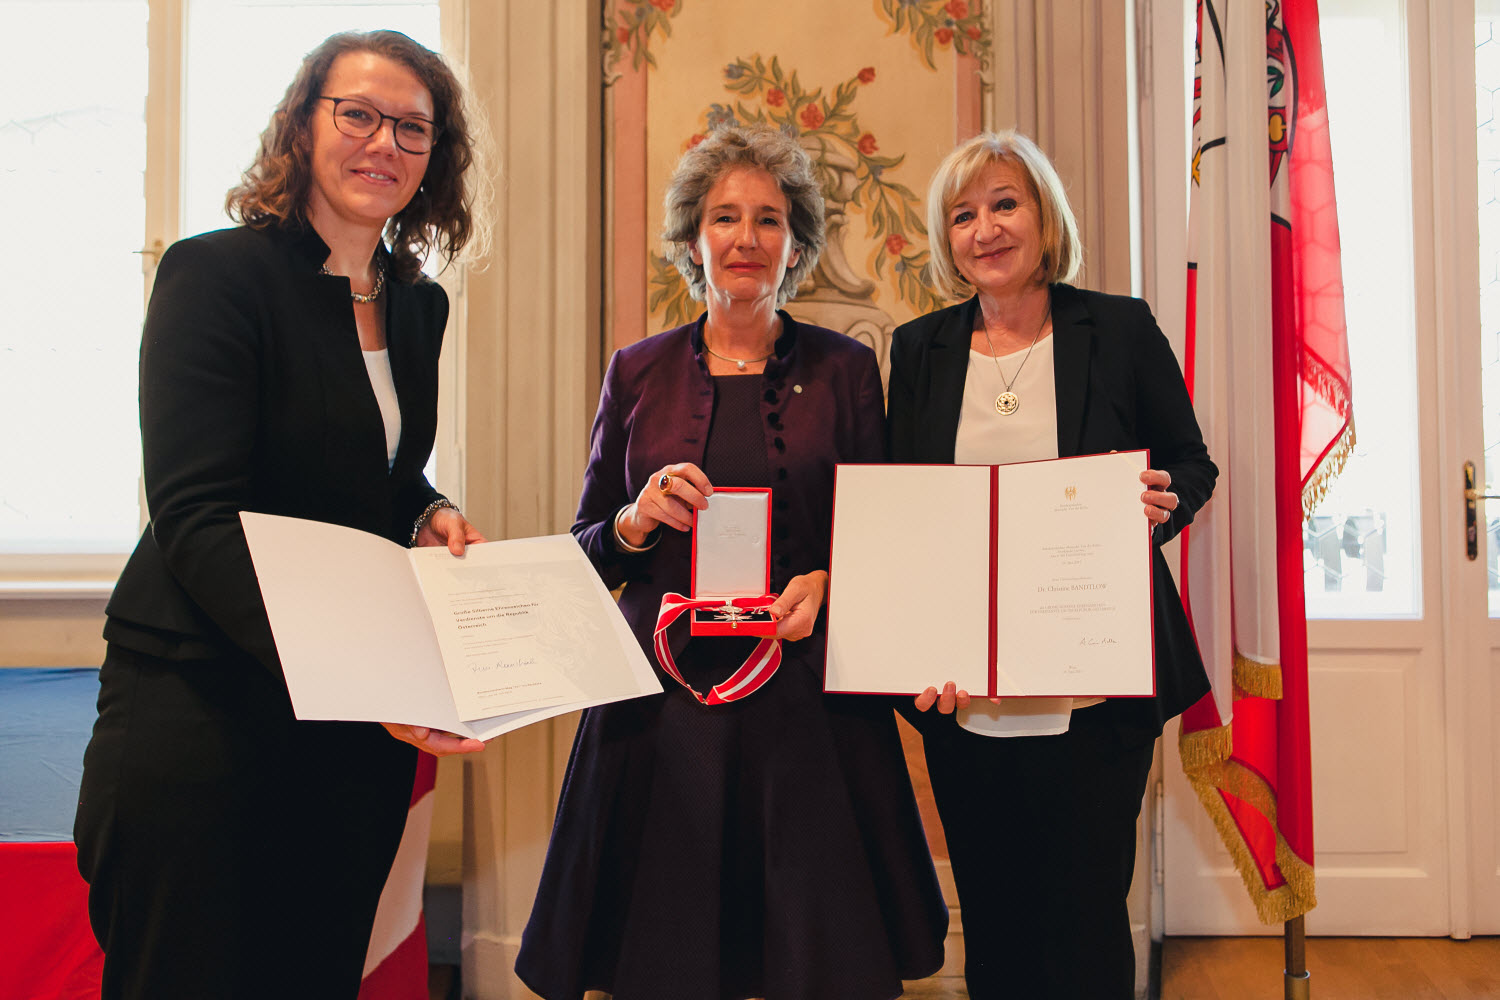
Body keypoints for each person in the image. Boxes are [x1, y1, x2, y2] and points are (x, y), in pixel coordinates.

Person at [73, 30, 488, 998]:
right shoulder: (214, 276)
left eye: (413, 128)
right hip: (203, 703)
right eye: (359, 114)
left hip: (347, 733)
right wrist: (360, 671)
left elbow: (373, 474)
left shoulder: (417, 305)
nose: (384, 143)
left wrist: (428, 509)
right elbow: (196, 512)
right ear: (303, 126)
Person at [515, 124, 948, 1000]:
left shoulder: (848, 370)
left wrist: (828, 582)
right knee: (666, 954)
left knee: (815, 958)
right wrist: (635, 519)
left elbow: (885, 536)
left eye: (768, 219)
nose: (745, 237)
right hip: (660, 713)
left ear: (797, 247)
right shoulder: (635, 372)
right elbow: (586, 548)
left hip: (809, 709)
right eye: (724, 217)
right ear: (692, 241)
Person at [888, 130, 1218, 999]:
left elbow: (1191, 463)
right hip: (966, 696)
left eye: (1005, 204)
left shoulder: (1119, 327)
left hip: (1096, 690)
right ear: (947, 238)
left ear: (1044, 217)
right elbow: (907, 512)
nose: (986, 229)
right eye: (964, 215)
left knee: (1086, 926)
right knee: (995, 925)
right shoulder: (918, 349)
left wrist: (1160, 504)